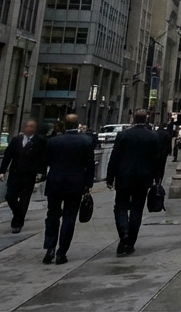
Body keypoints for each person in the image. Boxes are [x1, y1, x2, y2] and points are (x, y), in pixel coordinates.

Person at [107, 110, 164, 257]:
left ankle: (124, 234)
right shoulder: (152, 136)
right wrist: (157, 179)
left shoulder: (124, 135)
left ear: (133, 119)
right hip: (143, 178)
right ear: (146, 119)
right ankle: (130, 241)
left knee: (120, 207)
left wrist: (109, 177)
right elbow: (158, 158)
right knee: (137, 209)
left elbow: (114, 157)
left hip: (123, 176)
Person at [42, 114, 94, 265]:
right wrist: (88, 184)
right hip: (75, 183)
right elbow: (89, 164)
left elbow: (47, 161)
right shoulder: (86, 141)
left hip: (55, 182)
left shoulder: (53, 141)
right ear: (77, 125)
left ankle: (49, 248)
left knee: (52, 216)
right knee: (69, 217)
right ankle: (61, 252)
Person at [0, 120, 48, 233]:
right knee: (9, 196)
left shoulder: (41, 141)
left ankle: (17, 223)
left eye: (31, 127)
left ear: (35, 129)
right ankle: (18, 213)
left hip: (30, 175)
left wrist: (42, 173)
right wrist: (2, 171)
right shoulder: (16, 140)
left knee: (24, 200)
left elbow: (43, 159)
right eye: (27, 126)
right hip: (15, 173)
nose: (29, 129)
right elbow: (8, 156)